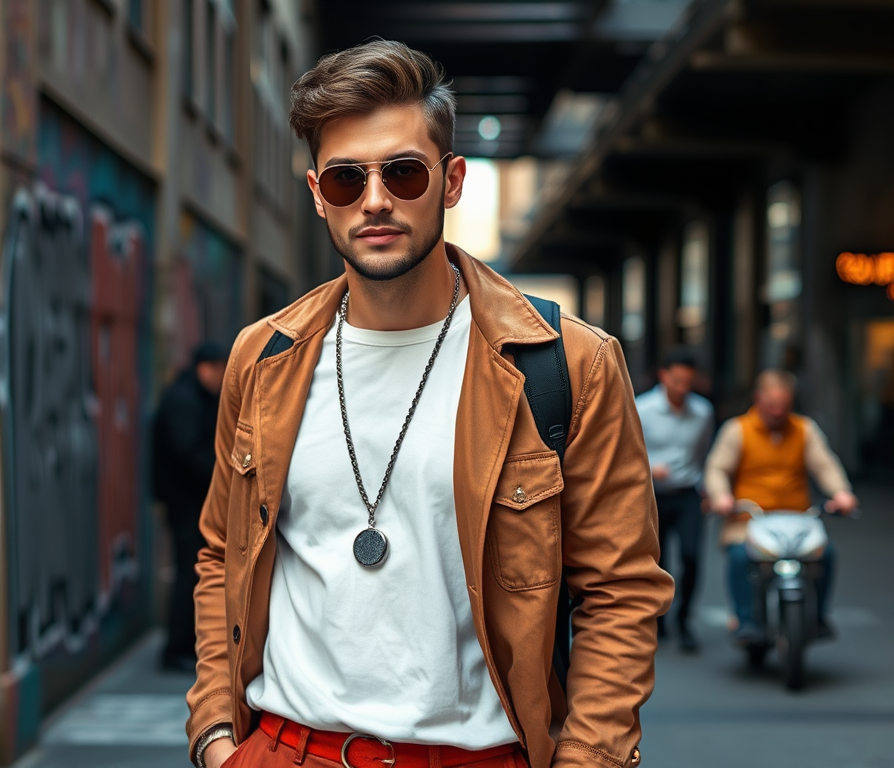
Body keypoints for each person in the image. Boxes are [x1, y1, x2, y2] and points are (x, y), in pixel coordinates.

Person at [186, 41, 673, 768]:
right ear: (319, 195)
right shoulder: (263, 358)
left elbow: (621, 591)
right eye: (348, 180)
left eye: (403, 172)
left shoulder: (568, 362)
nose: (376, 199)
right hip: (287, 750)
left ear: (451, 182)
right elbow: (223, 554)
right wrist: (215, 737)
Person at [704, 369, 858, 644]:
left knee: (826, 555)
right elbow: (718, 468)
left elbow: (824, 465)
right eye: (772, 405)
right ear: (758, 399)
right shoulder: (737, 430)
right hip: (749, 518)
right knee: (740, 557)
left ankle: (819, 616)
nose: (777, 412)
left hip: (797, 518)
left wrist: (842, 493)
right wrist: (721, 496)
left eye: (783, 406)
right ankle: (746, 619)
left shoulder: (804, 429)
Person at [152, 341, 228, 672]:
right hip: (188, 503)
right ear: (205, 368)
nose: (224, 376)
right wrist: (227, 480)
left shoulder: (191, 396)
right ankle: (177, 650)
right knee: (190, 573)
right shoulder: (185, 400)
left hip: (189, 501)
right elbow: (189, 453)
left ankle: (185, 647)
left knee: (193, 572)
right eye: (220, 369)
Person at [634, 349, 715, 652]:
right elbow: (628, 451)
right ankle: (660, 619)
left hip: (688, 493)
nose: (683, 388)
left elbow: (704, 452)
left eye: (689, 382)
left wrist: (707, 487)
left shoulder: (703, 411)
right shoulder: (643, 409)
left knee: (692, 556)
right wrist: (651, 467)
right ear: (664, 376)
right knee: (658, 562)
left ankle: (684, 619)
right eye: (678, 380)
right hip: (652, 494)